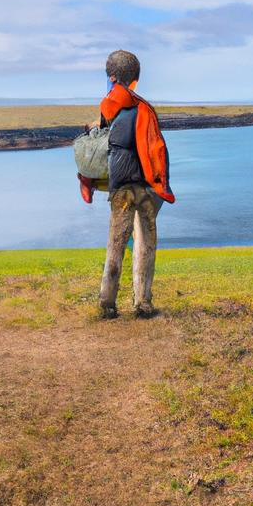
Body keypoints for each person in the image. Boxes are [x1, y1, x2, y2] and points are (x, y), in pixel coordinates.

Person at [90, 49, 175, 319]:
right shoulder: (143, 109)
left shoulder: (108, 109)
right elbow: (156, 149)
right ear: (135, 78)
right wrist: (162, 182)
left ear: (112, 77)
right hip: (146, 187)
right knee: (145, 244)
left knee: (115, 244)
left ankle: (107, 304)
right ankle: (143, 303)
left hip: (121, 187)